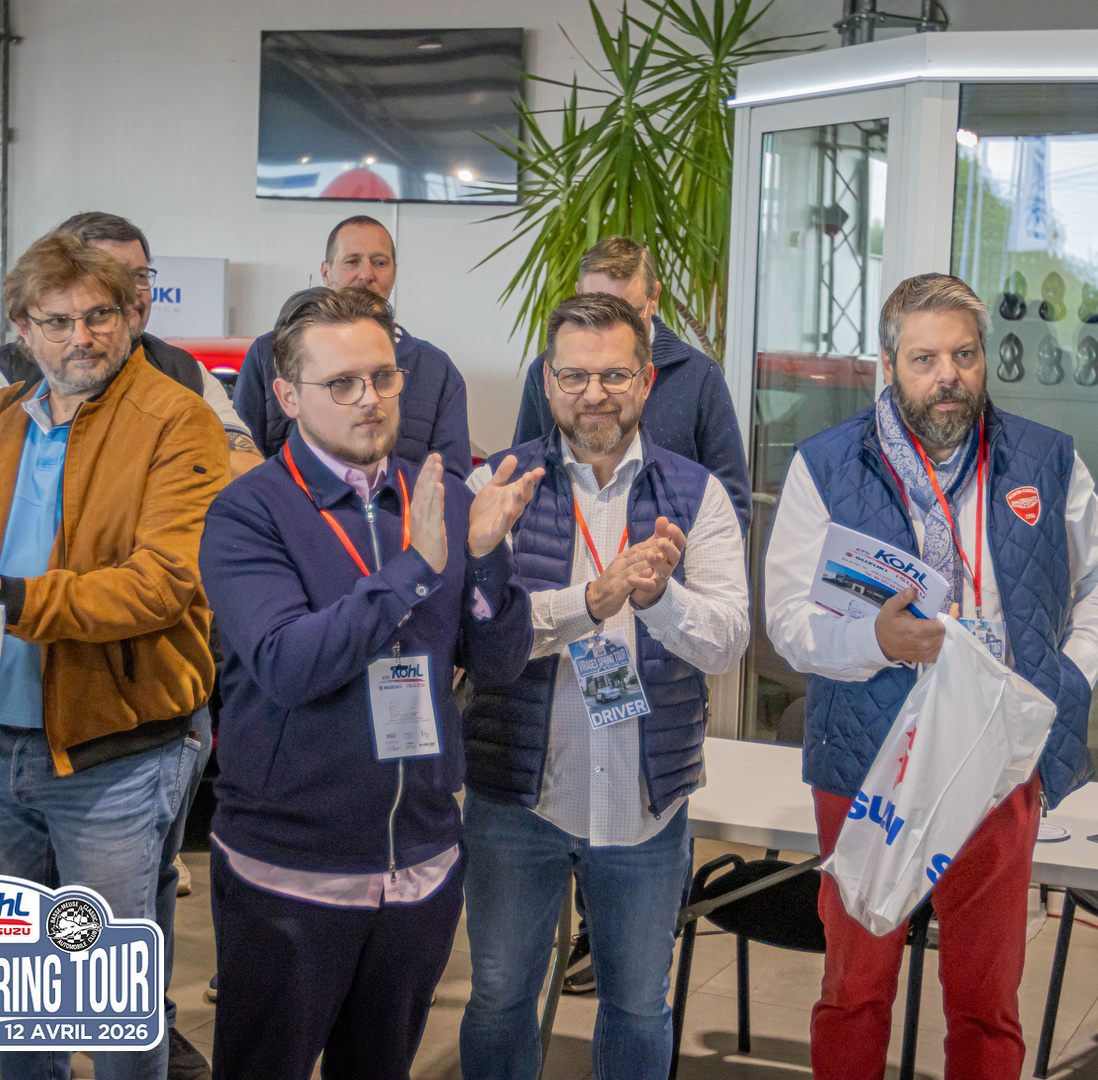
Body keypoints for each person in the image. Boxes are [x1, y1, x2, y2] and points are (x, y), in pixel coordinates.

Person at [762, 273, 1098, 1080]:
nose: (948, 376)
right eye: (925, 358)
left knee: (987, 1001)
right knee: (855, 990)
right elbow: (787, 621)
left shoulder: (1043, 457)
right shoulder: (826, 464)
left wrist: (1069, 673)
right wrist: (877, 639)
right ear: (889, 364)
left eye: (964, 355)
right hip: (868, 757)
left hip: (997, 755)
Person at [0, 231, 226, 1080]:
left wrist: (14, 597)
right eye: (59, 321)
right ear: (22, 330)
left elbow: (162, 584)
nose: (84, 337)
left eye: (100, 315)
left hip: (115, 754)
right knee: (19, 988)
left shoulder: (177, 419)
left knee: (111, 996)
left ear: (130, 315)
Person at [199, 286, 537, 1079]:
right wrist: (415, 568)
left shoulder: (440, 495)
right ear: (288, 396)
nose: (370, 399)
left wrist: (486, 556)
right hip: (292, 871)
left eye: (383, 377)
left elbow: (496, 663)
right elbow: (288, 664)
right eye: (342, 383)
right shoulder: (248, 512)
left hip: (418, 867)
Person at [458, 293, 750, 1080]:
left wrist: (660, 600)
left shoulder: (698, 494)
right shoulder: (495, 485)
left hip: (646, 803)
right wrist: (590, 601)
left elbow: (728, 642)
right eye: (575, 376)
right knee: (499, 998)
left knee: (639, 1006)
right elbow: (477, 641)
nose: (595, 394)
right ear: (547, 382)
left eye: (615, 375)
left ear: (647, 380)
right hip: (516, 799)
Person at [0, 211, 263, 479]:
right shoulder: (0, 376)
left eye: (140, 276)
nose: (132, 293)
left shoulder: (184, 370)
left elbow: (245, 468)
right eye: (111, 277)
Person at [511, 236, 750, 530]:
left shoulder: (699, 375)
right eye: (596, 309)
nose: (612, 328)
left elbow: (731, 501)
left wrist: (672, 551)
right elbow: (522, 474)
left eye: (630, 313)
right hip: (565, 548)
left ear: (654, 298)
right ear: (577, 296)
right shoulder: (547, 371)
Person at [231, 215, 471, 475]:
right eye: (352, 261)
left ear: (394, 273)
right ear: (326, 272)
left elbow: (451, 479)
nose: (366, 274)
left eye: (380, 262)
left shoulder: (436, 369)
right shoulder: (268, 354)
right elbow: (240, 458)